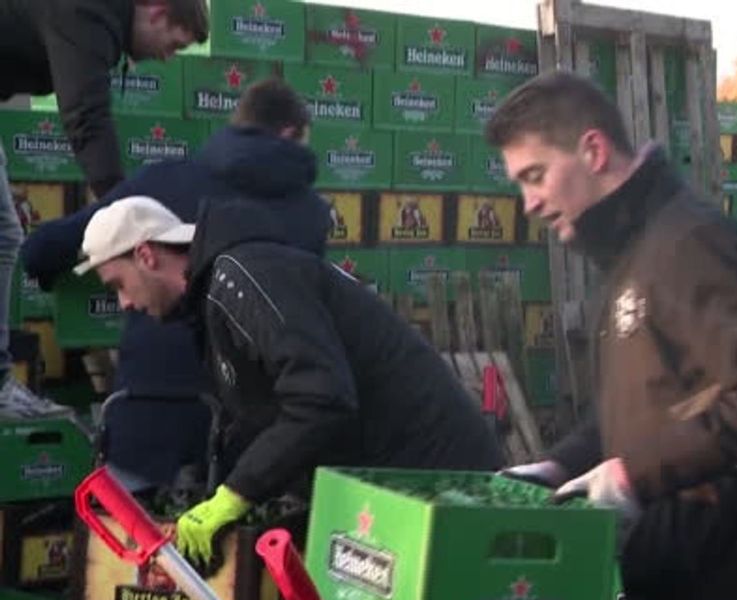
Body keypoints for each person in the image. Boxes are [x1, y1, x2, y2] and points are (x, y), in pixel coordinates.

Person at [487, 71, 737, 600]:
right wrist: (560, 465)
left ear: (592, 151)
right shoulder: (629, 257)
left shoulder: (690, 242)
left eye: (535, 176)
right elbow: (648, 406)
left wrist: (633, 476)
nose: (530, 204)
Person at [74, 195, 504, 569]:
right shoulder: (221, 292)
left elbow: (322, 398)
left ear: (146, 255)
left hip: (439, 486)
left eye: (119, 284)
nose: (125, 302)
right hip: (392, 487)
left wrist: (238, 492)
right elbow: (267, 413)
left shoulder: (245, 275)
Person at [22, 78, 334, 490]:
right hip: (248, 451)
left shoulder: (163, 181)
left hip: (144, 426)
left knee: (128, 547)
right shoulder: (312, 215)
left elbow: (42, 252)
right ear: (291, 134)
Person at [0, 0, 206, 417]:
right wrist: (127, 211)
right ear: (157, 10)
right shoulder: (86, 11)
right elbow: (85, 117)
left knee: (5, 239)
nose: (168, 58)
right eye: (174, 44)